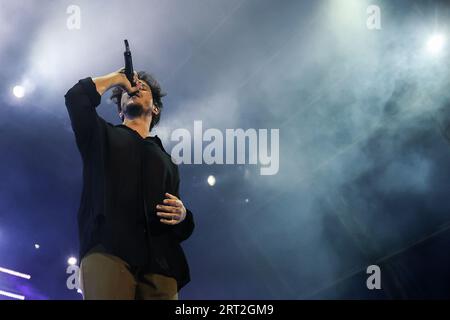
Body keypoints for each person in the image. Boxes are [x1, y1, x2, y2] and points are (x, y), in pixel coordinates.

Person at [64, 68, 195, 300]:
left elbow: (177, 221)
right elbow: (76, 97)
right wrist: (117, 79)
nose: (135, 89)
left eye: (143, 88)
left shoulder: (168, 161)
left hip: (161, 266)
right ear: (119, 110)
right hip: (108, 249)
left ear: (155, 108)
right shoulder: (100, 135)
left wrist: (183, 215)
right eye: (129, 89)